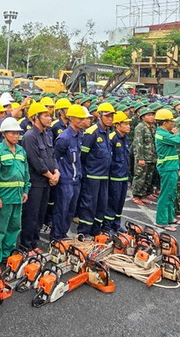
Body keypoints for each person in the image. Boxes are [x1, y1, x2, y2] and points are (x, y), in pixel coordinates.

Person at [0, 117, 30, 276]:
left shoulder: (21, 150)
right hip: (3, 198)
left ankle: (6, 255)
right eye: (12, 133)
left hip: (17, 197)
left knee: (14, 228)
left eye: (18, 133)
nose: (16, 136)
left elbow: (25, 173)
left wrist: (25, 190)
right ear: (4, 134)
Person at [20, 102, 58, 251]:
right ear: (36, 117)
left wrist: (56, 172)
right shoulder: (30, 136)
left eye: (49, 115)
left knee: (40, 215)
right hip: (35, 182)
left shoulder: (47, 135)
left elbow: (52, 156)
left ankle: (34, 243)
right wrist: (50, 175)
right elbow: (36, 161)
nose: (50, 118)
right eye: (46, 116)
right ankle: (26, 245)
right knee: (31, 215)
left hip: (46, 182)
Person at [51, 104, 89, 242]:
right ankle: (56, 236)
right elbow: (55, 157)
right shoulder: (64, 137)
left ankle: (63, 234)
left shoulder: (80, 135)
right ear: (72, 118)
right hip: (66, 179)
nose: (82, 121)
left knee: (71, 210)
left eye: (83, 118)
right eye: (79, 118)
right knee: (61, 209)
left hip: (75, 179)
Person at [153, 109, 180, 232]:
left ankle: (170, 218)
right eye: (171, 121)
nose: (173, 124)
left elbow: (177, 139)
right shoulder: (163, 134)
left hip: (171, 167)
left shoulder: (165, 133)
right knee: (166, 194)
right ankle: (161, 221)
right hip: (167, 167)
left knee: (171, 194)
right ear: (165, 122)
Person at [77, 102, 114, 237]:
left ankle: (95, 230)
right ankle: (84, 232)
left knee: (101, 205)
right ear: (99, 116)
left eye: (112, 116)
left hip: (104, 176)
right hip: (92, 176)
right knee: (89, 205)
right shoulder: (91, 133)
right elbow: (83, 156)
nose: (110, 119)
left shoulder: (107, 133)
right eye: (107, 116)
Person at [106, 111, 132, 232]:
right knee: (112, 203)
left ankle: (116, 224)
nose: (128, 126)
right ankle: (108, 226)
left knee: (120, 204)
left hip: (123, 177)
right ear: (117, 125)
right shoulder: (112, 138)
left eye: (128, 124)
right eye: (125, 124)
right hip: (114, 177)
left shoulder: (125, 138)